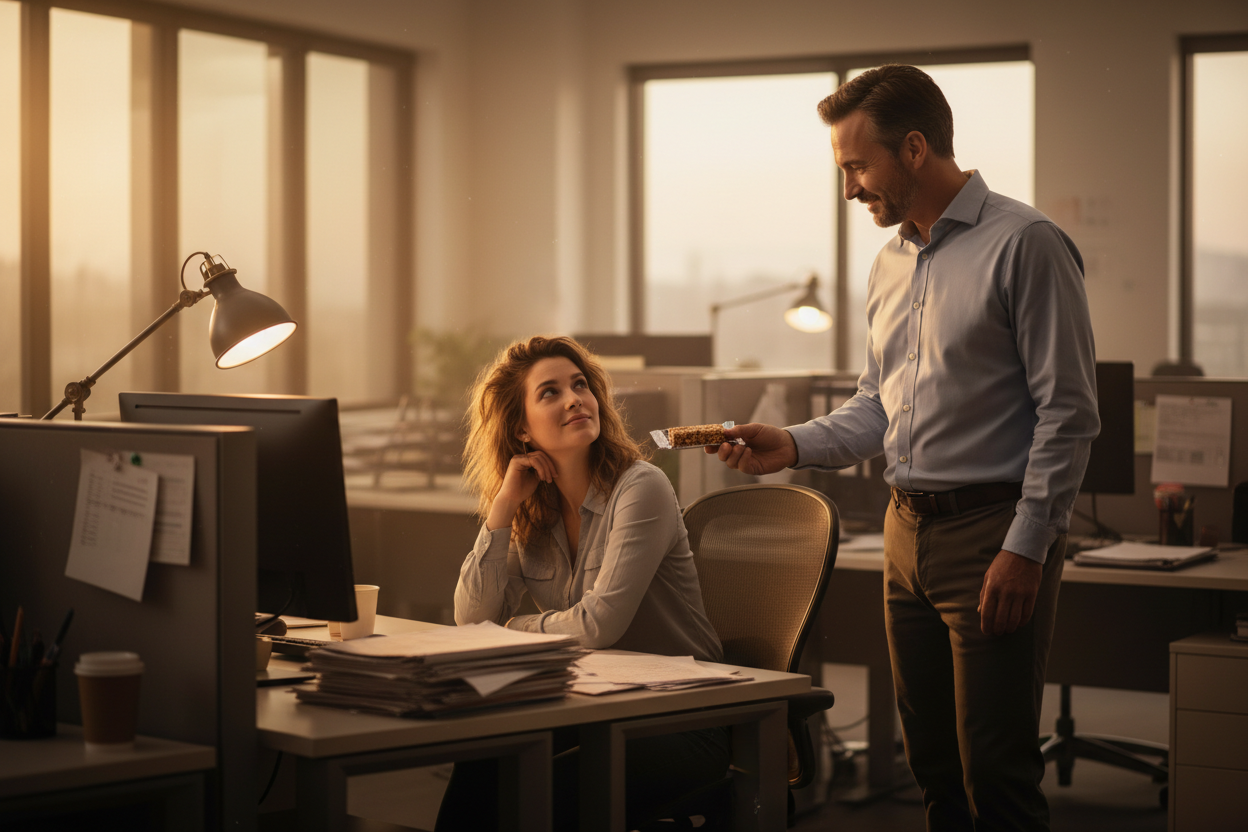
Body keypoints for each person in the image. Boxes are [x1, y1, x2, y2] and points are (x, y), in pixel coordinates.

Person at [709, 65, 1099, 831]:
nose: (850, 189)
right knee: (933, 769)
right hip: (904, 534)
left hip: (991, 536)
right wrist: (786, 444)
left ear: (915, 148)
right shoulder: (891, 263)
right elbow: (875, 407)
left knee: (997, 771)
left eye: (858, 166)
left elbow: (1070, 413)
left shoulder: (1027, 245)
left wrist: (1027, 547)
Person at [437, 334, 728, 832]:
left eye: (580, 385)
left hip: (680, 717)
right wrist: (503, 507)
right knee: (483, 762)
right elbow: (472, 619)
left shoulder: (640, 487)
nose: (574, 398)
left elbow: (598, 626)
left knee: (534, 798)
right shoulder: (532, 509)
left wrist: (515, 627)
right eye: (549, 392)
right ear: (522, 431)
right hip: (592, 708)